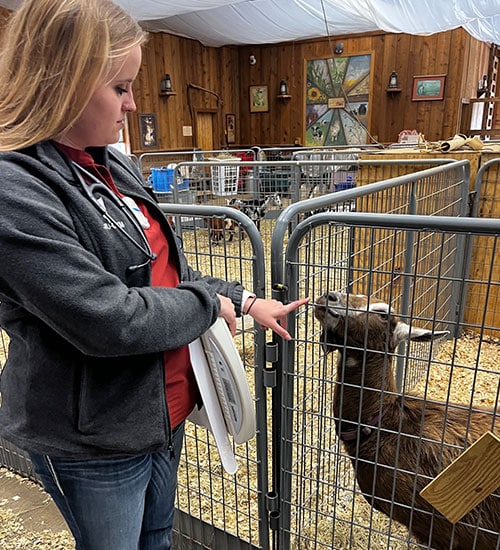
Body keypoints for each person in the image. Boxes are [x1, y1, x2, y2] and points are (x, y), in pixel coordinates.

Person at [0, 1, 309, 549]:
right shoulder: (15, 187)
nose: (133, 104)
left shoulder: (110, 163)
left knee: (157, 539)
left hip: (159, 415)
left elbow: (168, 273)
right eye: (120, 87)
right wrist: (209, 308)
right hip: (94, 436)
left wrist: (241, 296)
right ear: (62, 82)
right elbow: (108, 317)